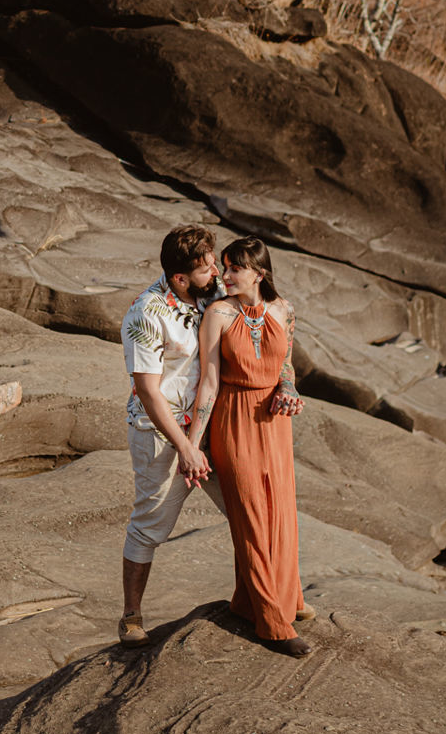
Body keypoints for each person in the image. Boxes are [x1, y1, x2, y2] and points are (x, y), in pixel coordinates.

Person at [194, 234, 315, 658]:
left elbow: (287, 365)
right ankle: (273, 624)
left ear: (259, 273)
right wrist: (193, 445)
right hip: (234, 420)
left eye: (235, 268)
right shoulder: (217, 314)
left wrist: (288, 388)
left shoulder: (284, 310)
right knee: (250, 519)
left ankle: (256, 602)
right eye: (224, 267)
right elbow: (209, 382)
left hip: (275, 423)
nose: (224, 275)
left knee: (280, 513)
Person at [117, 224, 228, 647]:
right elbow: (148, 390)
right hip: (160, 435)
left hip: (210, 425)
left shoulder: (213, 294)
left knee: (245, 510)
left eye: (214, 263)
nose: (215, 272)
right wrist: (185, 448)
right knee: (149, 525)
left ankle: (263, 599)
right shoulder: (146, 313)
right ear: (180, 278)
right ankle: (131, 617)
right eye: (206, 268)